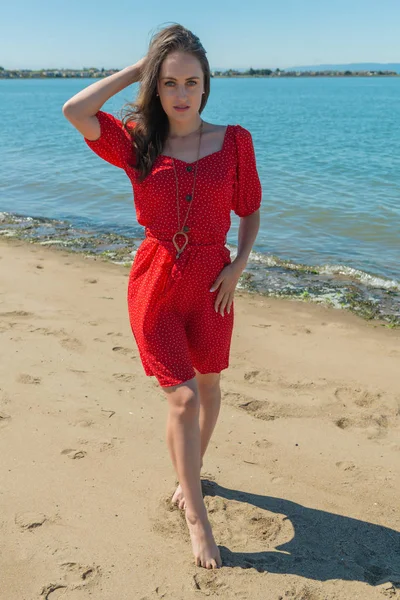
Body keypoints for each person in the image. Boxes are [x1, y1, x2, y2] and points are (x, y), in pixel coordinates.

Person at [62, 23, 261, 570]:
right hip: (156, 284)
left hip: (213, 284)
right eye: (168, 82)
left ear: (206, 86)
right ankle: (197, 514)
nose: (180, 94)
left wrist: (238, 266)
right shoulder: (137, 141)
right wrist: (139, 68)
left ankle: (189, 475)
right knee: (184, 397)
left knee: (212, 384)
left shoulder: (235, 141)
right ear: (157, 86)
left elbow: (249, 210)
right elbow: (75, 110)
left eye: (190, 82)